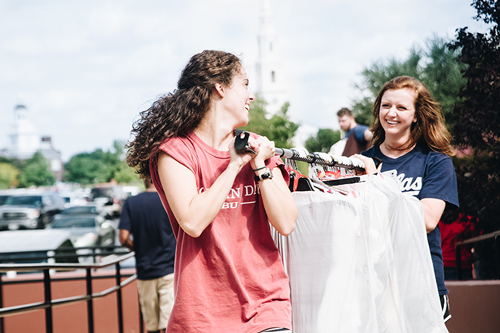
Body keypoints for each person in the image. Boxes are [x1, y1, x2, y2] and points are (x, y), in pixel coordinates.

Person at [125, 50, 298, 333]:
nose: (250, 94)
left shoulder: (257, 148)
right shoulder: (176, 152)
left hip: (267, 306)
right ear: (220, 87)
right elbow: (193, 222)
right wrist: (233, 167)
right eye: (244, 84)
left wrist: (259, 167)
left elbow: (287, 222)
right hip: (203, 315)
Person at [355, 76, 459, 323]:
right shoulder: (361, 161)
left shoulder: (436, 161)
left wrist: (376, 181)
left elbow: (427, 219)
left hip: (421, 283)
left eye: (401, 108)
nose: (391, 113)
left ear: (416, 116)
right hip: (374, 282)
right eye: (386, 105)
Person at [119, 178, 176, 333]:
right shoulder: (169, 199)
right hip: (169, 269)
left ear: (144, 180)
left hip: (145, 270)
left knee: (152, 325)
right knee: (169, 323)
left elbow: (123, 238)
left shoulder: (131, 203)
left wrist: (137, 249)